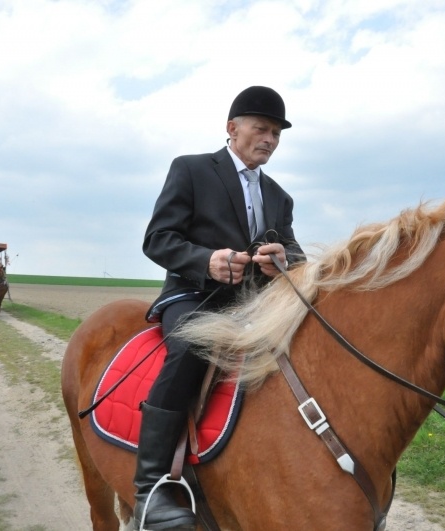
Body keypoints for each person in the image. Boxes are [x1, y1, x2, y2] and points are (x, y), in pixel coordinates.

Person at [135, 86, 305, 530]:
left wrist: (281, 261)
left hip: (256, 306)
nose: (269, 139)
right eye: (261, 129)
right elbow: (158, 239)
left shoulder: (280, 196)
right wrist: (205, 261)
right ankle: (150, 489)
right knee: (192, 346)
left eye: (276, 134)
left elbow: (296, 256)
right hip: (194, 296)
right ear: (232, 129)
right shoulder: (191, 170)